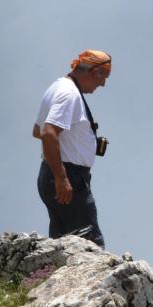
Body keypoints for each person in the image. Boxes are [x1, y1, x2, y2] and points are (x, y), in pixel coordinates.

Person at [32, 50, 111, 244]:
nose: (103, 84)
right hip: (69, 177)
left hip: (53, 175)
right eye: (104, 77)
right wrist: (62, 177)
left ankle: (49, 274)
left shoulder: (57, 87)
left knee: (62, 242)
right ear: (94, 73)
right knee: (89, 243)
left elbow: (37, 130)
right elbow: (48, 133)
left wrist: (77, 141)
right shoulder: (69, 94)